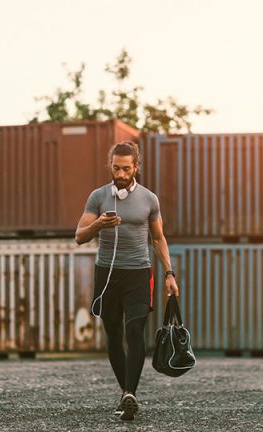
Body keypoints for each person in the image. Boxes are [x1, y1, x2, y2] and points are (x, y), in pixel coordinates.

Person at [75, 141, 179, 421]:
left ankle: (130, 394)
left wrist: (169, 274)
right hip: (107, 273)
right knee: (114, 334)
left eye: (126, 168)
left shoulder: (149, 199)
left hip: (138, 273)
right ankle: (124, 390)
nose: (121, 174)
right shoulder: (98, 197)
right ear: (111, 166)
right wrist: (99, 224)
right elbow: (79, 236)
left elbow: (158, 239)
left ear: (136, 167)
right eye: (116, 168)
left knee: (135, 330)